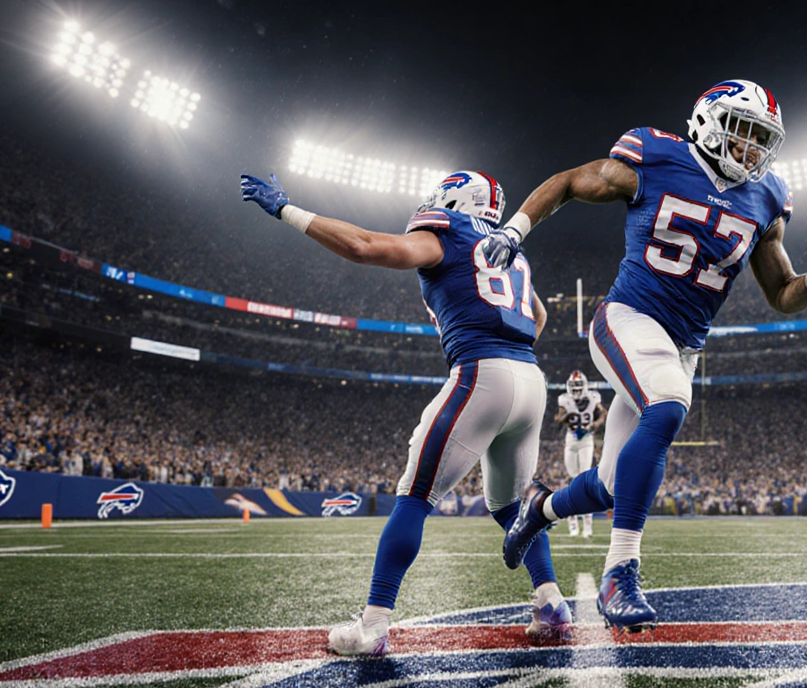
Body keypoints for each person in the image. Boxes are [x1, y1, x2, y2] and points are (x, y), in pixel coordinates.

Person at [490, 80, 807, 631]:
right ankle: (620, 572)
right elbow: (567, 183)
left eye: (762, 139)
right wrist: (515, 230)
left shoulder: (768, 196)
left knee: (612, 483)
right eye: (744, 132)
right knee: (670, 402)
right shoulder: (655, 157)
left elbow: (782, 295)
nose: (753, 148)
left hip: (683, 346)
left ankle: (539, 509)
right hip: (627, 317)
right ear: (709, 122)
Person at [240, 169, 571, 655]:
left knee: (415, 496)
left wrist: (287, 210)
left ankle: (372, 627)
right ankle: (552, 606)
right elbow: (538, 316)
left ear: (454, 199)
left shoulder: (448, 230)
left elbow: (364, 245)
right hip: (530, 380)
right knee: (512, 507)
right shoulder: (509, 248)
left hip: (484, 373)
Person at [555, 370, 607, 537]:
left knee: (582, 480)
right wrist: (565, 417)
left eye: (578, 386)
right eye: (573, 387)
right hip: (571, 439)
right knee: (572, 479)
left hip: (586, 440)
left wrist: (596, 424)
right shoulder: (565, 400)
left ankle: (587, 525)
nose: (576, 390)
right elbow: (558, 418)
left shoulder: (593, 398)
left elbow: (603, 414)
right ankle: (573, 524)